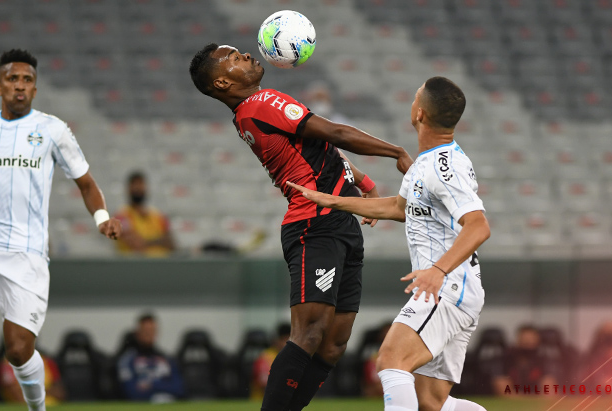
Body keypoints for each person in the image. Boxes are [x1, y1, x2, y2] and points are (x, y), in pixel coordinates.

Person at [189, 43, 412, 411]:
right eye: (234, 58)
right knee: (309, 333)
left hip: (339, 221)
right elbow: (336, 133)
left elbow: (318, 148)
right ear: (223, 83)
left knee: (334, 344)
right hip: (314, 225)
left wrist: (363, 181)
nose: (246, 55)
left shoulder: (249, 113)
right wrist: (396, 152)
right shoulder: (263, 102)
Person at [288, 76, 490, 411]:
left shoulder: (444, 167)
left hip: (447, 288)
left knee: (390, 360)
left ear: (420, 113)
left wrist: (438, 271)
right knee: (430, 402)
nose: (412, 102)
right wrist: (333, 200)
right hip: (456, 290)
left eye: (415, 97)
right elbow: (398, 208)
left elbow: (479, 226)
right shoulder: (429, 162)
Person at [0, 49, 121, 411]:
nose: (20, 86)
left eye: (27, 80)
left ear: (35, 88)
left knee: (17, 350)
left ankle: (37, 408)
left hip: (26, 251)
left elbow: (86, 184)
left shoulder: (52, 130)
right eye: (12, 79)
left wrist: (101, 218)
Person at [117, 313, 185, 402]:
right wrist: (164, 386)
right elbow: (131, 391)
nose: (148, 334)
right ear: (138, 333)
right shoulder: (127, 360)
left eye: (151, 330)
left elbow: (179, 389)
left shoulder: (167, 359)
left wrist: (151, 385)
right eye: (145, 331)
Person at [114, 171, 176, 257]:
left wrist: (146, 242)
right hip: (133, 263)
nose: (137, 188)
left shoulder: (158, 216)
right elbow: (136, 244)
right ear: (127, 189)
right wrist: (160, 241)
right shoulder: (121, 216)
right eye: (134, 184)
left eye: (140, 184)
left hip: (160, 263)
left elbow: (172, 244)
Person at [494, 325, 557, 393]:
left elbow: (549, 388)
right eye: (525, 339)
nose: (528, 342)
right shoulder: (505, 359)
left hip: (538, 396)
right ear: (518, 340)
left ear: (538, 340)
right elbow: (503, 388)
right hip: (513, 396)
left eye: (531, 339)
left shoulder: (544, 360)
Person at [0, 350, 66, 405]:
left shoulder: (47, 361)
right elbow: (16, 396)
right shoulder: (8, 364)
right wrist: (46, 391)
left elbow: (59, 393)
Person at [252, 323, 292, 400]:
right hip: (262, 401)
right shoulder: (265, 357)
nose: (288, 343)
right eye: (285, 339)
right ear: (277, 340)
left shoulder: (294, 357)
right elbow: (265, 384)